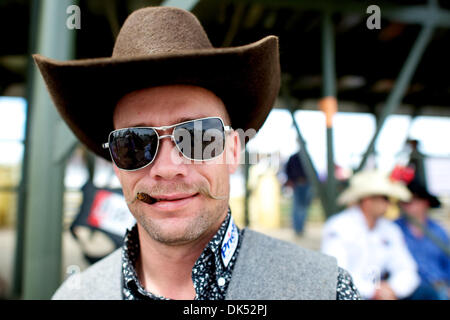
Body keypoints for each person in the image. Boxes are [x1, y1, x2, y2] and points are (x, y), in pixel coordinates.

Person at [34, 6, 360, 300]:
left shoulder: (326, 290)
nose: (166, 167)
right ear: (117, 166)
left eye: (198, 138)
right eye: (134, 144)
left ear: (233, 151)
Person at [321, 169, 423, 300]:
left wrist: (393, 289)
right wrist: (374, 291)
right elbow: (336, 273)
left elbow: (407, 269)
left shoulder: (390, 229)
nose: (389, 204)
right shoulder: (338, 227)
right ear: (367, 200)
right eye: (385, 198)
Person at [396, 178, 450, 300]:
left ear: (425, 202)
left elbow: (447, 262)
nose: (407, 205)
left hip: (440, 288)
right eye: (404, 201)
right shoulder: (394, 229)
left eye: (412, 200)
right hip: (409, 291)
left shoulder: (438, 230)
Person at [284, 152, 312, 236]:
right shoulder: (294, 157)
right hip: (298, 183)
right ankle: (297, 228)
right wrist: (292, 180)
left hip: (306, 183)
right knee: (297, 207)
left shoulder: (306, 156)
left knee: (303, 207)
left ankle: (300, 228)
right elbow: (288, 170)